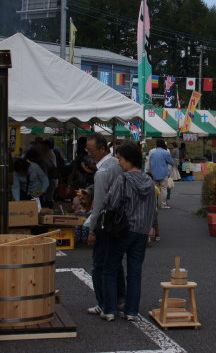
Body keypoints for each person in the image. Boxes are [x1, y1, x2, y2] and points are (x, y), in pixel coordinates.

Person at [104, 142, 156, 321]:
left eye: (120, 159)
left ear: (128, 160)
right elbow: (153, 209)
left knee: (110, 267)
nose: (119, 163)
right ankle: (131, 312)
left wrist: (109, 194)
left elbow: (112, 204)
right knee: (134, 272)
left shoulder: (123, 179)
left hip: (123, 230)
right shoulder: (149, 181)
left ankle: (109, 310)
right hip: (142, 231)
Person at [83, 133, 125, 318]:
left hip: (105, 223)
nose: (89, 153)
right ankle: (120, 299)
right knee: (115, 264)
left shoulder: (103, 172)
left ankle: (104, 303)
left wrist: (92, 231)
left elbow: (98, 205)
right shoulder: (118, 164)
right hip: (120, 222)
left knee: (100, 265)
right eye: (87, 150)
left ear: (102, 149)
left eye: (91, 150)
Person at [149, 139, 174, 209]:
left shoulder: (153, 153)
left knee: (154, 189)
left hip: (154, 173)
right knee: (163, 188)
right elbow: (171, 162)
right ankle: (163, 204)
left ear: (156, 144)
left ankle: (154, 204)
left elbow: (149, 163)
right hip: (163, 173)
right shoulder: (165, 152)